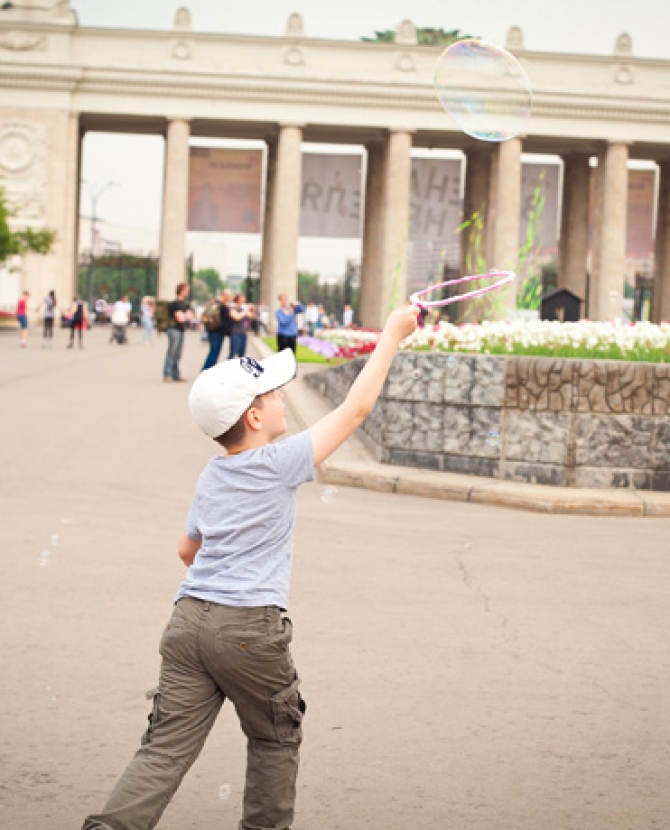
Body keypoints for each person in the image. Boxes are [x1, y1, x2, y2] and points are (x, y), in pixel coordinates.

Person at [81, 302, 419, 830]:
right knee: (274, 735)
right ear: (255, 418)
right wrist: (393, 336)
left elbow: (186, 551)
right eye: (272, 394)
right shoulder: (280, 463)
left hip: (188, 621)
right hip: (249, 628)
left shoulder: (212, 474)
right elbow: (355, 410)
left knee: (163, 749)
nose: (282, 398)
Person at [163, 282, 194, 383]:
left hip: (180, 330)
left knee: (178, 353)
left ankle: (176, 374)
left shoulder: (185, 304)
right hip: (173, 329)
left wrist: (185, 315)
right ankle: (167, 374)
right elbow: (180, 318)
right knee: (172, 352)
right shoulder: (175, 303)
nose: (188, 292)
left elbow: (191, 316)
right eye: (186, 290)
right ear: (181, 290)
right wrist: (186, 316)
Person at [202, 288, 232, 371]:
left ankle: (207, 369)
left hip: (214, 331)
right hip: (217, 331)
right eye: (229, 296)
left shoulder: (216, 303)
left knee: (214, 351)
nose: (230, 298)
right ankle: (207, 369)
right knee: (214, 352)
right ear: (225, 295)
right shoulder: (219, 305)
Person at [228, 293, 253, 359]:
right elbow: (237, 317)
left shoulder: (244, 309)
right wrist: (246, 310)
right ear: (237, 299)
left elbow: (251, 316)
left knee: (242, 355)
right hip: (235, 334)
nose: (244, 300)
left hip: (243, 334)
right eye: (242, 298)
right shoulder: (232, 309)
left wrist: (251, 310)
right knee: (232, 353)